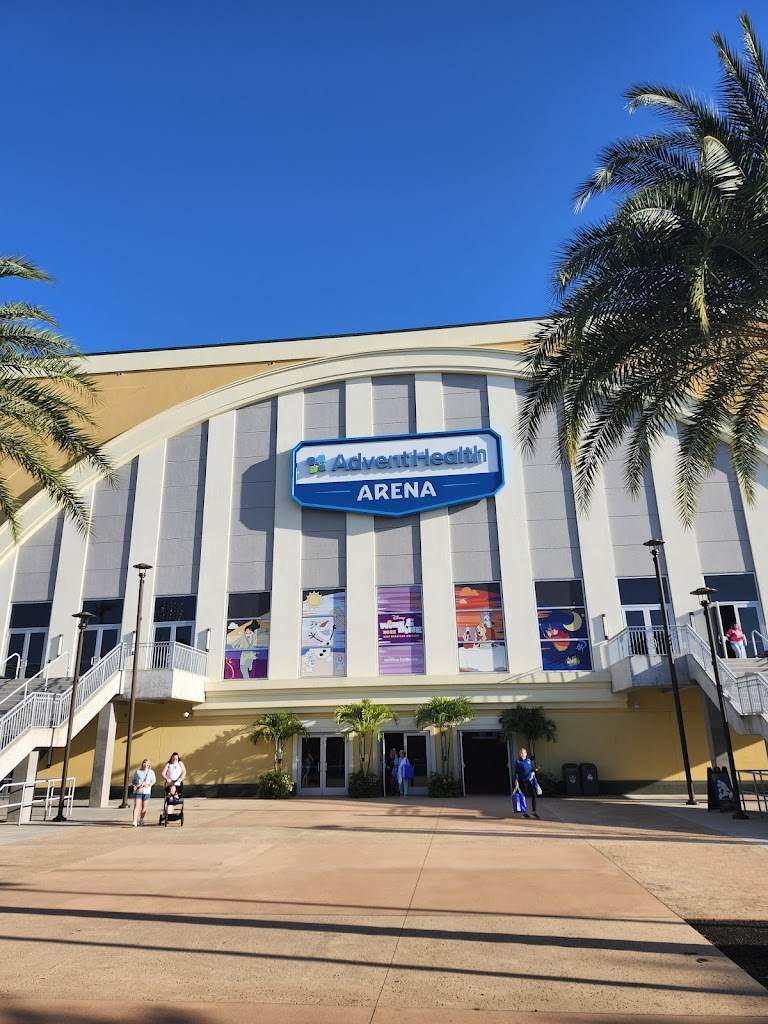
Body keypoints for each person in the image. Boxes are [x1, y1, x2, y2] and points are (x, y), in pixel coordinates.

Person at [514, 747, 540, 820]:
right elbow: (516, 772)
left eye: (522, 753)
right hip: (522, 781)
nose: (521, 754)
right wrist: (516, 780)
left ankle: (534, 812)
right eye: (520, 753)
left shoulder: (528, 761)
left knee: (534, 795)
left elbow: (531, 769)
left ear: (526, 754)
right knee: (523, 796)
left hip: (529, 781)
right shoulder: (518, 762)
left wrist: (535, 769)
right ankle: (524, 813)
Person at [132, 758, 156, 826]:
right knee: (136, 806)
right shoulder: (138, 772)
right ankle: (134, 820)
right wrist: (134, 785)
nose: (145, 766)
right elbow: (133, 780)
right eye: (144, 764)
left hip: (147, 791)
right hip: (139, 791)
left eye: (147, 764)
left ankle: (141, 820)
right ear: (142, 764)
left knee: (144, 806)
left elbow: (153, 781)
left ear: (149, 765)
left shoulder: (151, 772)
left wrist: (148, 785)